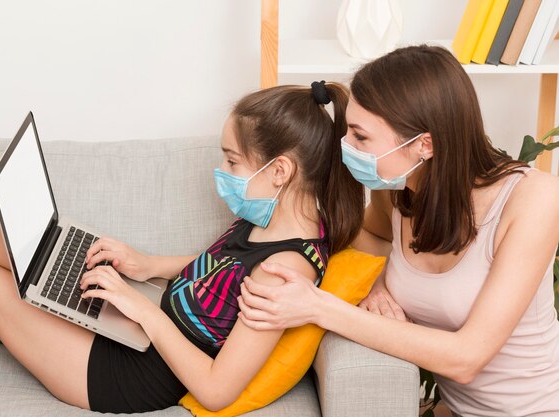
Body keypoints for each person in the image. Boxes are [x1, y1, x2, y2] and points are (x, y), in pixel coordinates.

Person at [0, 82, 365, 413]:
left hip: (127, 373)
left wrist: (141, 309)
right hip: (134, 333)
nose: (222, 171)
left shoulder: (282, 274)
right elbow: (220, 273)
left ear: (280, 171)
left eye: (232, 161)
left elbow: (216, 390)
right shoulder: (270, 215)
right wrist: (144, 265)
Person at [237, 45, 559, 417]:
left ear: (425, 144)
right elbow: (370, 238)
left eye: (360, 137)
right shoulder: (399, 193)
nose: (345, 147)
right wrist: (378, 284)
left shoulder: (535, 199)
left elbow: (467, 358)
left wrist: (317, 307)